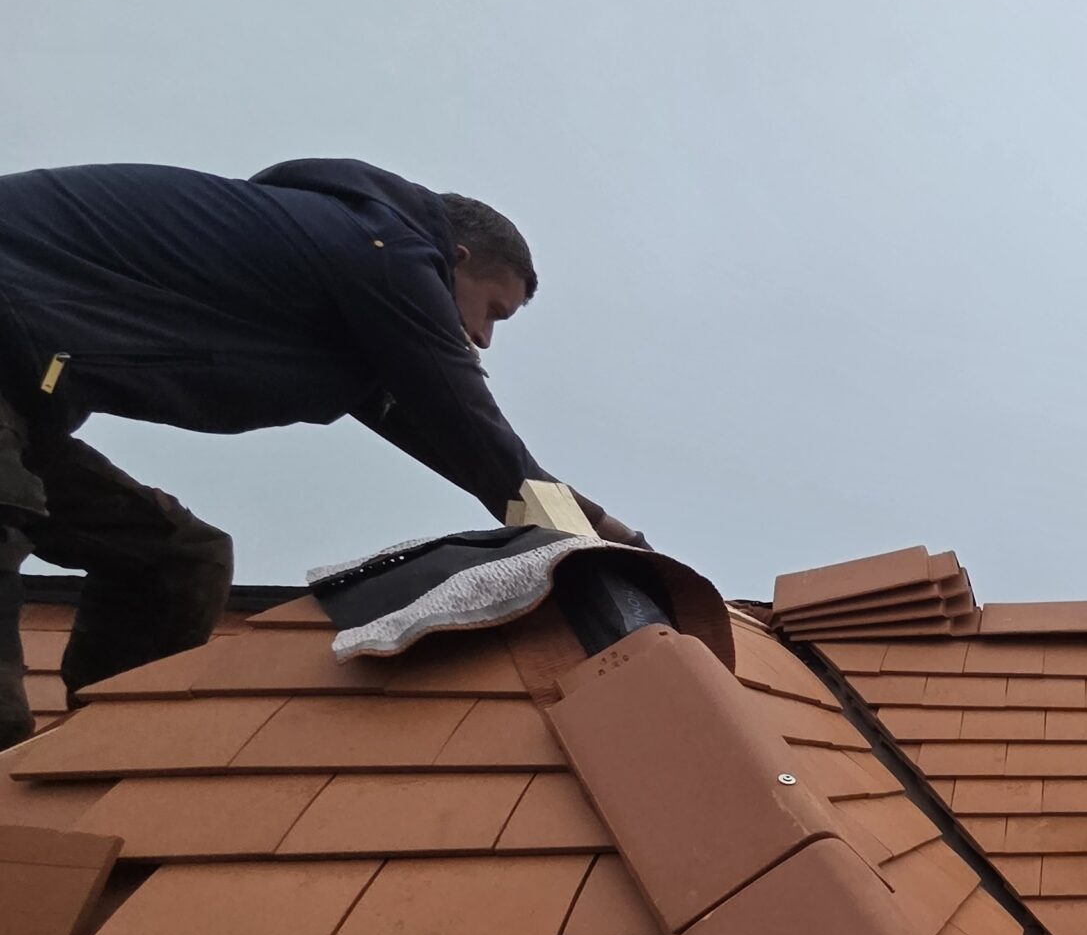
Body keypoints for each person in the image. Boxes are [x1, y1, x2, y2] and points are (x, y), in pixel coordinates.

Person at [0, 158, 636, 748]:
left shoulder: (345, 310)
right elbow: (466, 420)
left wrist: (590, 526)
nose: (483, 337)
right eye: (491, 310)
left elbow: (454, 439)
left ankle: (82, 764)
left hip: (22, 408)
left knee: (177, 561)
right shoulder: (381, 247)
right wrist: (594, 533)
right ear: (455, 259)